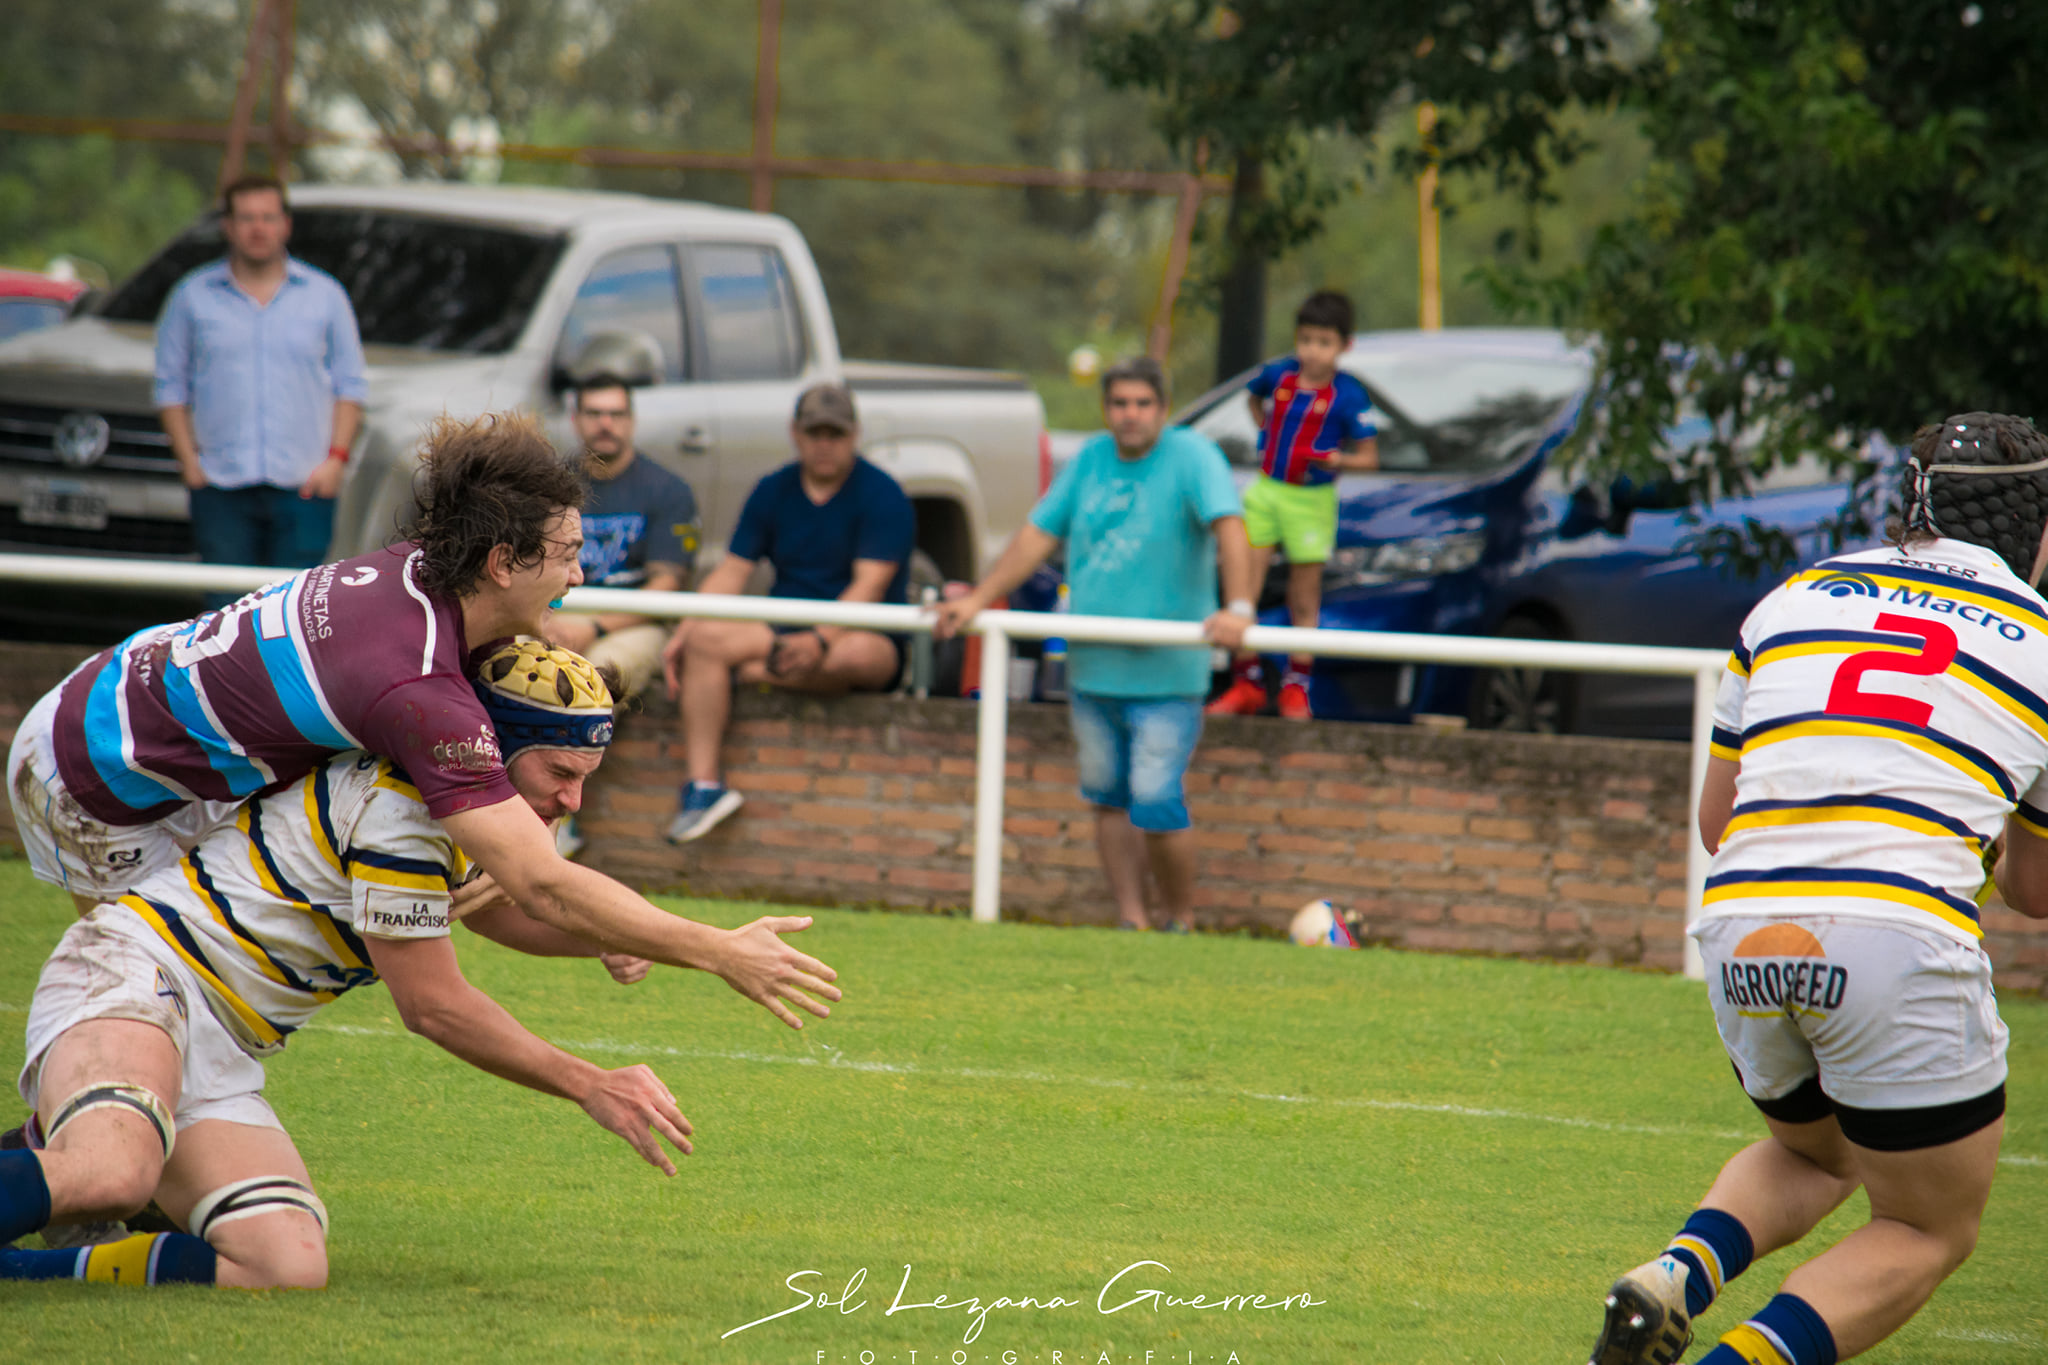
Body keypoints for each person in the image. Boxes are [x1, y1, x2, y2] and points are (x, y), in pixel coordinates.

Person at [5, 411, 839, 1030]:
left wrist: (620, 928)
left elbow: (510, 880)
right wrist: (718, 948)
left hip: (123, 700)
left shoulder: (426, 577)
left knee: (433, 875)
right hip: (93, 770)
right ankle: (73, 1181)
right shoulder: (417, 685)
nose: (582, 574)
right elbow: (538, 881)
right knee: (141, 1007)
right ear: (501, 560)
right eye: (569, 554)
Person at [0, 641, 690, 1288]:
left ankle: (29, 1251)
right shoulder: (405, 811)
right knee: (115, 1172)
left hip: (221, 1046)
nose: (573, 801)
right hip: (141, 977)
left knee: (285, 1263)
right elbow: (434, 1006)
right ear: (499, 745)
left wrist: (593, 937)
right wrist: (590, 1083)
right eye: (562, 773)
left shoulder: (463, 805)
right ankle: (79, 1146)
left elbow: (480, 907)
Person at [1586, 412, 2048, 1365]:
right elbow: (2037, 888)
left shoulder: (1792, 598)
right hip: (1897, 934)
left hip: (1743, 920)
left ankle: (1670, 1277)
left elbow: (1719, 821)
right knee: (1926, 1229)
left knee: (1815, 1151)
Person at [934, 356, 1252, 932]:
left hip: (1169, 673)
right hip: (1092, 669)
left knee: (1156, 802)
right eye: (1120, 404)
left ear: (1162, 406)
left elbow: (1230, 526)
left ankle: (1181, 924)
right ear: (1107, 409)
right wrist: (979, 598)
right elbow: (1036, 535)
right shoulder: (1090, 462)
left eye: (1143, 404)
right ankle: (1132, 923)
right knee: (1107, 799)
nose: (1130, 416)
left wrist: (1238, 608)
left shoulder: (1193, 457)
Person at [661, 382, 913, 844]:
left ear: (854, 435)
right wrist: (686, 626)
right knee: (703, 642)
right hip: (781, 626)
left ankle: (756, 672)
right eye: (814, 432)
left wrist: (818, 638)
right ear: (795, 433)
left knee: (852, 656)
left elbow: (869, 586)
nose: (824, 443)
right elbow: (732, 572)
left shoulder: (883, 493)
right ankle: (703, 788)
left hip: (862, 633)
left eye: (834, 433)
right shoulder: (772, 488)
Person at [154, 174, 367, 573]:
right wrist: (190, 465)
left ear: (285, 224)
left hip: (304, 487)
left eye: (268, 217)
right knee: (224, 613)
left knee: (296, 613)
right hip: (221, 487)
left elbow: (350, 385)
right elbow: (170, 387)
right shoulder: (191, 297)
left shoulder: (326, 296)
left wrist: (336, 461)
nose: (258, 228)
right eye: (247, 217)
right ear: (228, 226)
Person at [1206, 290, 1378, 721]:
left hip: (1312, 499)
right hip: (1267, 490)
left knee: (1304, 596)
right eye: (1305, 340)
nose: (1312, 352)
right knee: (1243, 587)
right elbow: (1251, 398)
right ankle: (1246, 683)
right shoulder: (1278, 376)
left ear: (1344, 346)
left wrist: (1338, 460)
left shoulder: (1349, 395)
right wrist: (1266, 431)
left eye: (1324, 343)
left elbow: (1370, 457)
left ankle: (1296, 689)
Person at [544, 372, 702, 701]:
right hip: (561, 610)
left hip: (636, 623)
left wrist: (593, 628)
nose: (605, 423)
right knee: (514, 668)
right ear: (575, 419)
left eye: (616, 414)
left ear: (632, 420)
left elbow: (667, 584)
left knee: (593, 681)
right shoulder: (550, 486)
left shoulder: (668, 489)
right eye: (594, 413)